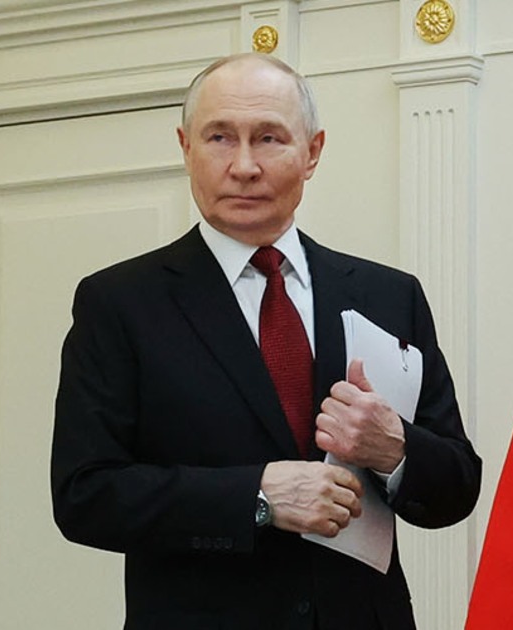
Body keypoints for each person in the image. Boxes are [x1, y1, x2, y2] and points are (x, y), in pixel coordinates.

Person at [50, 52, 481, 630]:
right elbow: (85, 495)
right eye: (220, 138)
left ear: (313, 152)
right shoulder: (119, 303)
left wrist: (395, 448)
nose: (244, 165)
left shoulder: (390, 295)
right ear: (186, 147)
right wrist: (255, 496)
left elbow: (457, 487)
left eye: (269, 138)